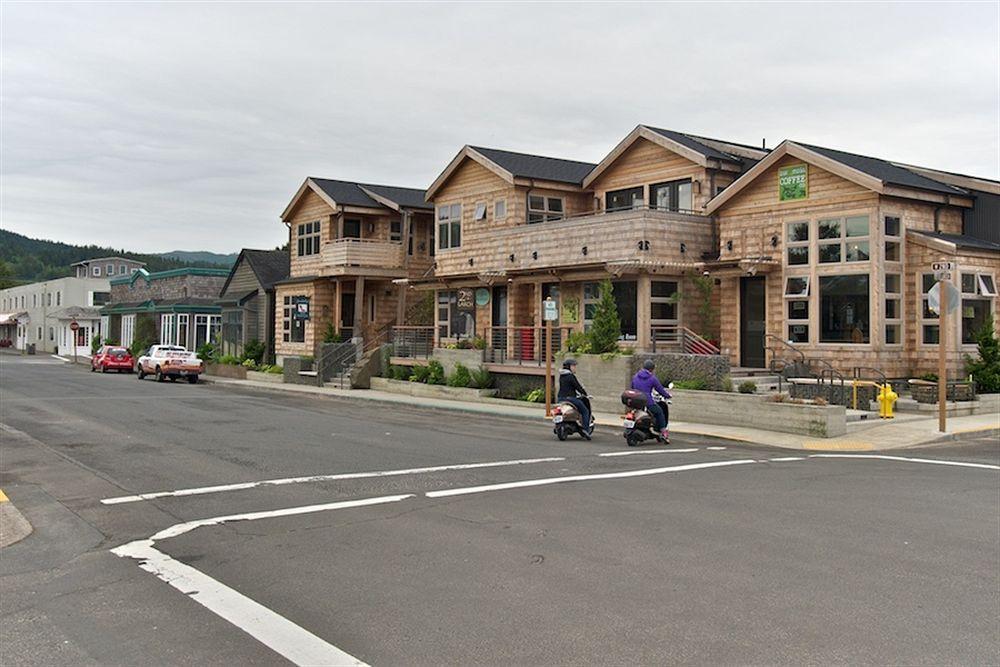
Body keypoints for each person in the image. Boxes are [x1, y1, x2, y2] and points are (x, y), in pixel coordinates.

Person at [630, 359, 671, 440]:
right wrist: (668, 395)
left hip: (636, 401)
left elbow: (632, 387)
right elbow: (660, 389)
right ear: (651, 369)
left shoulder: (635, 376)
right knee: (659, 412)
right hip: (647, 401)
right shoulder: (652, 378)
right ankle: (663, 431)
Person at [558, 358, 593, 434]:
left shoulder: (562, 376)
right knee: (585, 411)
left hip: (561, 398)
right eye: (573, 366)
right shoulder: (570, 376)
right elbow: (578, 387)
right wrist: (585, 394)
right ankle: (585, 430)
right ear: (569, 367)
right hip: (571, 399)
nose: (575, 368)